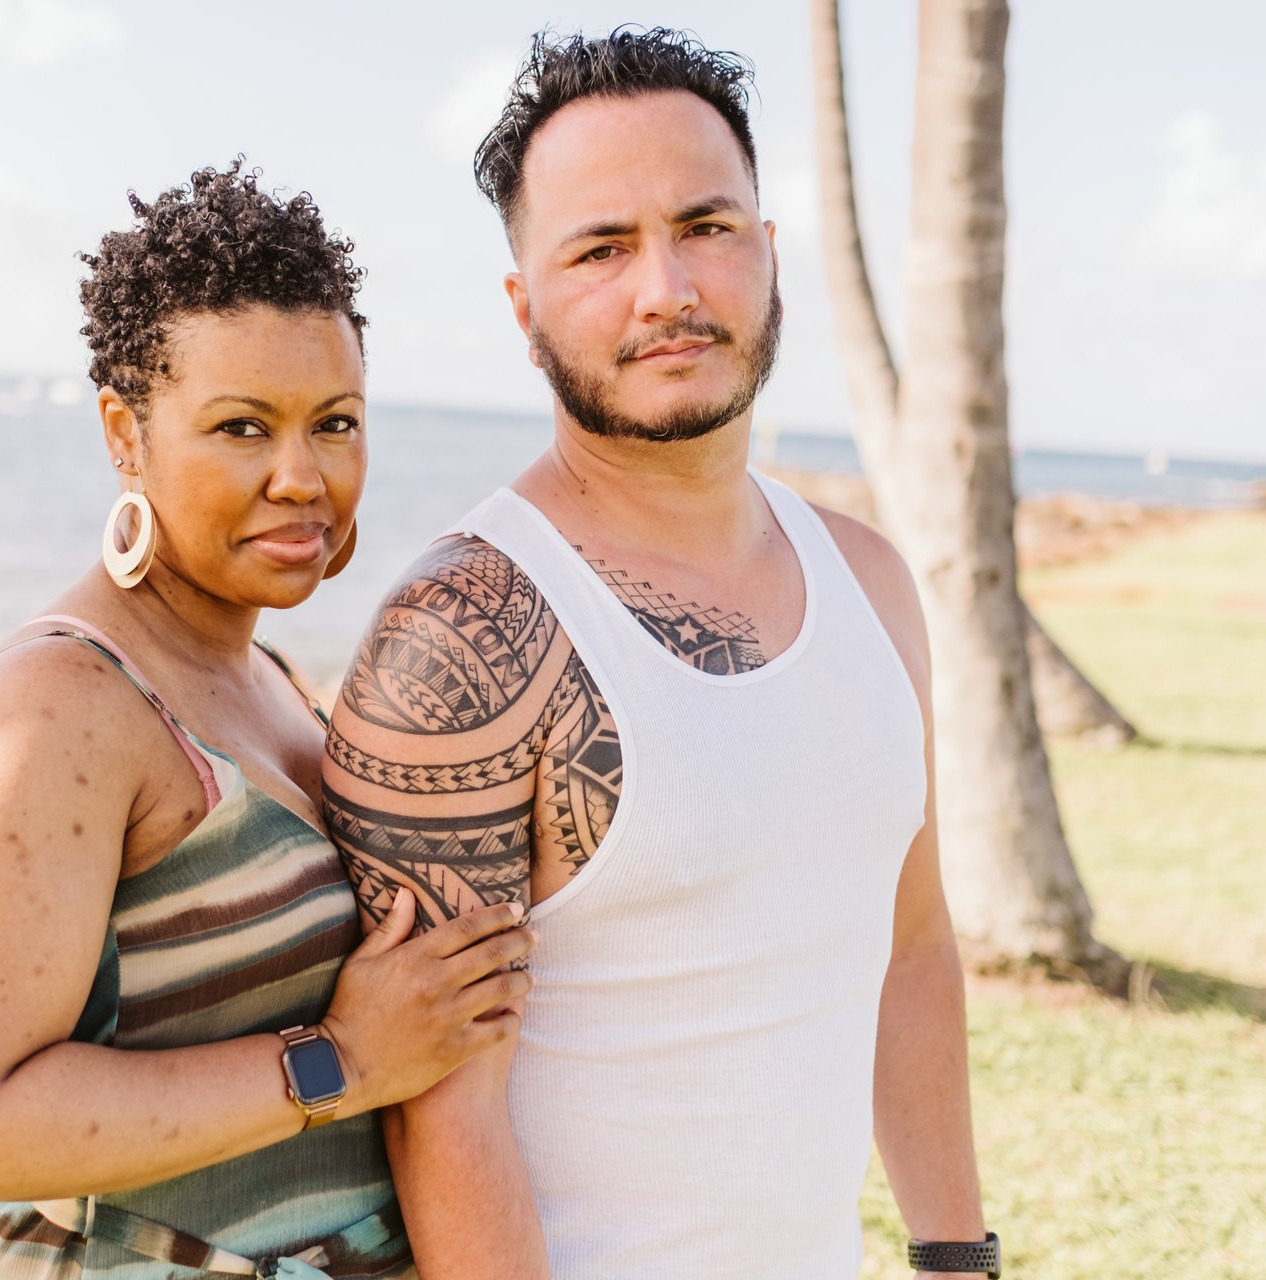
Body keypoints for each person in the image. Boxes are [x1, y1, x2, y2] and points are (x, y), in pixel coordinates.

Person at [323, 29, 995, 1280]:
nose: (667, 289)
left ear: (768, 250)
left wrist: (958, 1257)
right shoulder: (462, 636)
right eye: (601, 248)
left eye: (706, 226)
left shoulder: (871, 582)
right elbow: (437, 1110)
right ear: (524, 313)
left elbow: (911, 951)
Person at [0, 162, 533, 1280]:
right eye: (241, 426)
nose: (302, 476)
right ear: (125, 433)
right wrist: (342, 1060)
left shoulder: (264, 672)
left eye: (334, 423)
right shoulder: (57, 705)